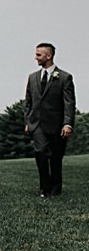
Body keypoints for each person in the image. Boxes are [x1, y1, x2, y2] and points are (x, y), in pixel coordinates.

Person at [24, 43, 75, 197]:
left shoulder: (65, 77)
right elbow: (28, 102)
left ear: (49, 56)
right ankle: (44, 188)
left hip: (57, 124)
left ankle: (55, 188)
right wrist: (27, 121)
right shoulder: (32, 77)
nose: (35, 57)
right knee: (40, 152)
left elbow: (69, 103)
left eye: (39, 55)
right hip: (37, 124)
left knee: (56, 157)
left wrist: (67, 124)